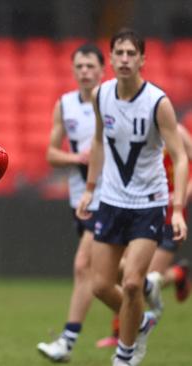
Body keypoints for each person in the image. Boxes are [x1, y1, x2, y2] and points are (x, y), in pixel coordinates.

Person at [76, 28, 188, 366]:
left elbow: (181, 157)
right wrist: (91, 189)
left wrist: (179, 208)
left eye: (131, 54)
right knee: (99, 286)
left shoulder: (158, 102)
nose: (124, 59)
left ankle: (125, 356)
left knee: (134, 283)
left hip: (149, 204)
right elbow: (98, 142)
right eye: (119, 53)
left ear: (142, 59)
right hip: (111, 201)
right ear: (110, 59)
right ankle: (142, 320)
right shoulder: (102, 96)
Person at [37, 43, 105, 362]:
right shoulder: (65, 105)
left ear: (102, 70)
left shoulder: (114, 103)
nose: (85, 72)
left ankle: (66, 341)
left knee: (83, 267)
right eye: (79, 66)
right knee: (106, 278)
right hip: (81, 198)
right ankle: (139, 316)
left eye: (91, 66)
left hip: (112, 195)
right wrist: (76, 157)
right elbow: (51, 154)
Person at [96, 122, 192, 349]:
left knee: (143, 277)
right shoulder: (133, 130)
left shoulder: (176, 132)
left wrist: (184, 191)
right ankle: (120, 332)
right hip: (140, 209)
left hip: (168, 213)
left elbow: (185, 161)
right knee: (126, 274)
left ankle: (178, 274)